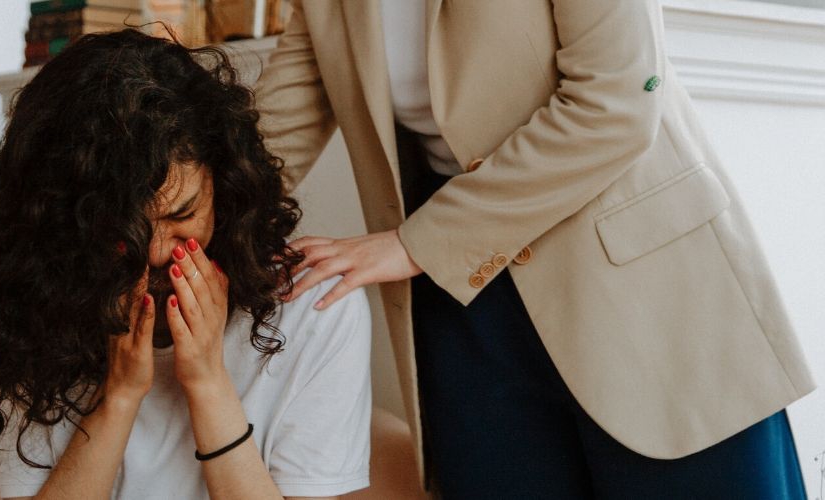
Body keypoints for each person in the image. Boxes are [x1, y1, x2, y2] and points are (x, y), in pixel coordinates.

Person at [253, 1, 816, 498]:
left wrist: (414, 244)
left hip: (635, 286)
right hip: (464, 300)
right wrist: (203, 224)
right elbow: (270, 135)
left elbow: (615, 101)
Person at [0, 29, 373, 500]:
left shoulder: (313, 305)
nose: (155, 254)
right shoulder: (39, 302)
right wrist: (119, 396)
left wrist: (208, 382)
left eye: (182, 215)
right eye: (122, 228)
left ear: (224, 184)